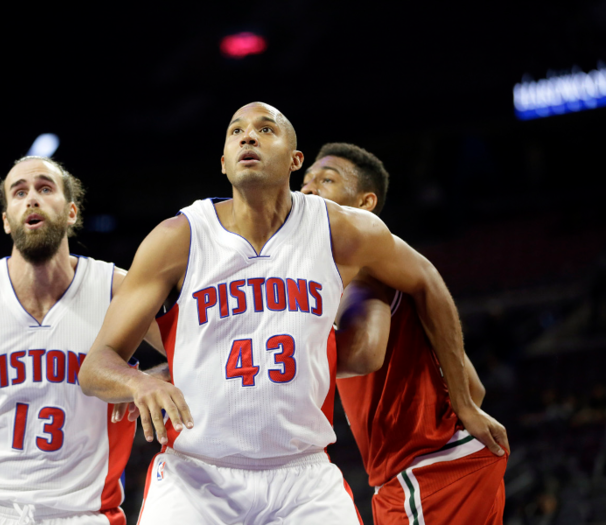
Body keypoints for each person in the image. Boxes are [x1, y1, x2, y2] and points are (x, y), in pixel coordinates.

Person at [78, 102, 508, 524]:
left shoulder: (341, 231)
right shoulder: (178, 238)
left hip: (302, 477)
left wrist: (466, 403)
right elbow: (95, 366)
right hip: (197, 474)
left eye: (266, 129)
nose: (248, 135)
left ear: (294, 160)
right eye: (236, 131)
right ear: (224, 163)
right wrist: (138, 381)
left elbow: (425, 281)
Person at [0, 157, 164, 525]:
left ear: (72, 211)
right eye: (19, 192)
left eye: (45, 188)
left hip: (81, 512)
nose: (32, 199)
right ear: (6, 220)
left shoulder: (116, 290)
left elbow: (197, 350)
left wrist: (152, 377)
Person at [301, 142, 508, 524]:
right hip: (451, 462)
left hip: (426, 471)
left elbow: (365, 353)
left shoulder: (362, 273)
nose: (308, 189)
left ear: (365, 203)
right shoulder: (383, 277)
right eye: (306, 180)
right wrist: (463, 403)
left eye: (326, 180)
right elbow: (475, 386)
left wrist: (279, 352)